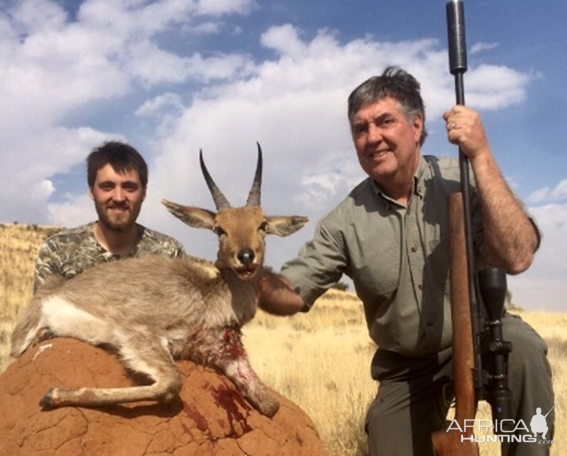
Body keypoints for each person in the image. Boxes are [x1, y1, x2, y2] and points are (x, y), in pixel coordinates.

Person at [255, 67, 554, 455]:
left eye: (384, 122)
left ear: (416, 126)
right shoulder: (343, 221)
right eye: (360, 129)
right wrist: (248, 274)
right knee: (386, 438)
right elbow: (292, 294)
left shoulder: (461, 177)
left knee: (523, 349)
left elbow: (517, 255)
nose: (372, 137)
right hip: (406, 368)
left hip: (482, 340)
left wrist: (480, 155)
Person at [34, 141, 185, 290]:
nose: (119, 197)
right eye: (107, 186)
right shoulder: (57, 251)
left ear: (143, 193)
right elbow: (41, 312)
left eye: (129, 187)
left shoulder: (170, 255)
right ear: (92, 191)